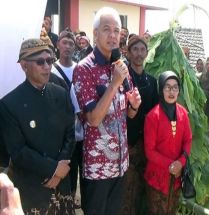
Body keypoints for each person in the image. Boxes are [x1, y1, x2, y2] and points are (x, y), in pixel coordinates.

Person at [73, 7, 141, 215]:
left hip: (120, 164)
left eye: (116, 30)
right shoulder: (84, 69)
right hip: (97, 168)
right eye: (106, 29)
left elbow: (128, 114)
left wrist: (135, 105)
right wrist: (113, 85)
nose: (113, 35)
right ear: (95, 33)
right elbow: (93, 119)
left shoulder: (121, 65)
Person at [0, 39, 75, 214]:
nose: (47, 66)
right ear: (24, 66)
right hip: (32, 188)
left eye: (49, 60)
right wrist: (53, 169)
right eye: (40, 62)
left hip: (62, 183)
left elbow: (70, 134)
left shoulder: (60, 94)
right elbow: (18, 151)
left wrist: (60, 171)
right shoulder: (9, 104)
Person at [144, 71, 192, 215]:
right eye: (167, 87)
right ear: (161, 90)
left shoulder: (183, 113)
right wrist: (170, 165)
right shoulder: (153, 116)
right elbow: (149, 151)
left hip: (176, 179)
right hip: (157, 179)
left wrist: (181, 162)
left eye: (175, 87)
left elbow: (188, 140)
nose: (171, 91)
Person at [120, 36, 158, 215]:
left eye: (142, 50)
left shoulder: (152, 81)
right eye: (135, 49)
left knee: (143, 188)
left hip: (147, 143)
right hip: (127, 141)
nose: (139, 53)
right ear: (128, 52)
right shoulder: (122, 79)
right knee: (127, 190)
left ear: (147, 53)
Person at [51, 28, 85, 209]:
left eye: (71, 44)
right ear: (58, 45)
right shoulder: (51, 70)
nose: (68, 46)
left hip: (82, 129)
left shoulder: (81, 69)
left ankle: (75, 198)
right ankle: (65, 201)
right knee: (66, 167)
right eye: (64, 42)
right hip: (62, 131)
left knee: (81, 166)